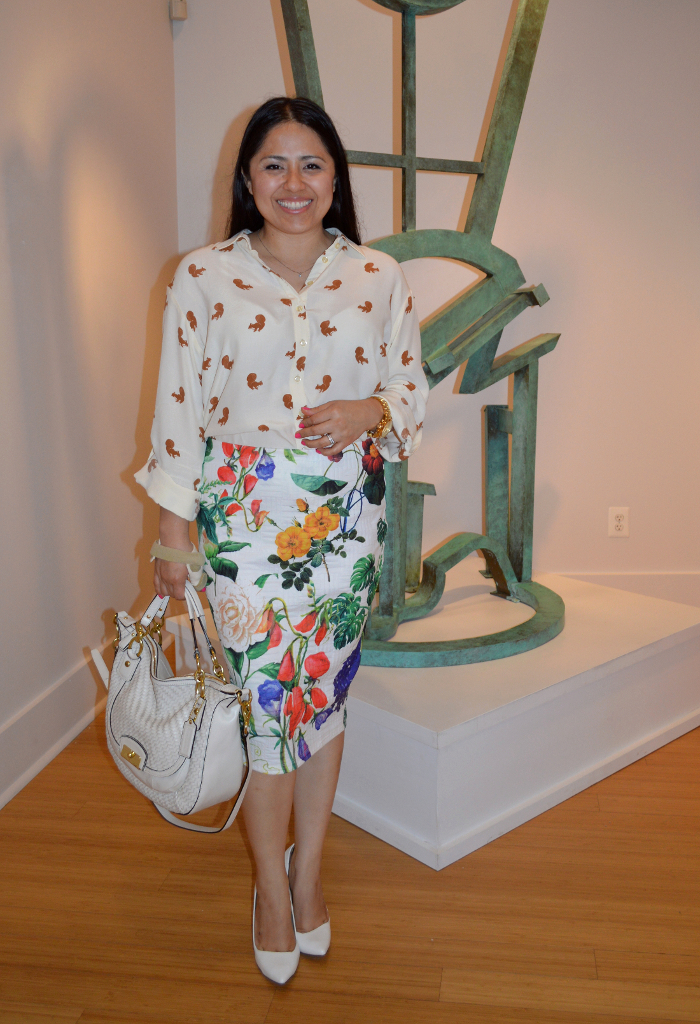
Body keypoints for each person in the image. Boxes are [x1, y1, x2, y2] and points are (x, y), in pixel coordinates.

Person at [135, 96, 428, 983]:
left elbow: (411, 386)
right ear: (247, 178)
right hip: (241, 522)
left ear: (336, 177)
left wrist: (370, 409)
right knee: (268, 713)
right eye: (274, 164)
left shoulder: (378, 274)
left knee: (324, 702)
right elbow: (178, 410)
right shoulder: (203, 275)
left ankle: (310, 874)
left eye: (311, 164)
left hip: (345, 518)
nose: (293, 182)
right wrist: (173, 536)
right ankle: (270, 887)